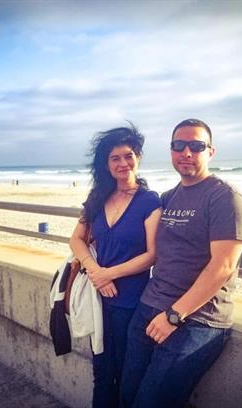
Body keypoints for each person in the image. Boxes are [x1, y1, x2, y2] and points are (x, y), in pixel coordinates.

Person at [120, 119, 242, 408]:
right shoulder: (167, 197)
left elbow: (223, 267)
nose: (187, 152)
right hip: (148, 307)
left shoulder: (225, 199)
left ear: (211, 152)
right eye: (179, 145)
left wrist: (174, 316)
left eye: (196, 145)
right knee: (126, 396)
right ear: (171, 151)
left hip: (197, 320)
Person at [69, 124, 161, 408]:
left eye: (128, 155)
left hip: (130, 303)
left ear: (138, 157)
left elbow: (152, 255)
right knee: (101, 372)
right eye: (115, 158)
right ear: (106, 164)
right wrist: (96, 272)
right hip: (96, 299)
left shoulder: (149, 201)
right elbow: (76, 239)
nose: (123, 163)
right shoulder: (98, 198)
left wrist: (109, 274)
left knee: (125, 375)